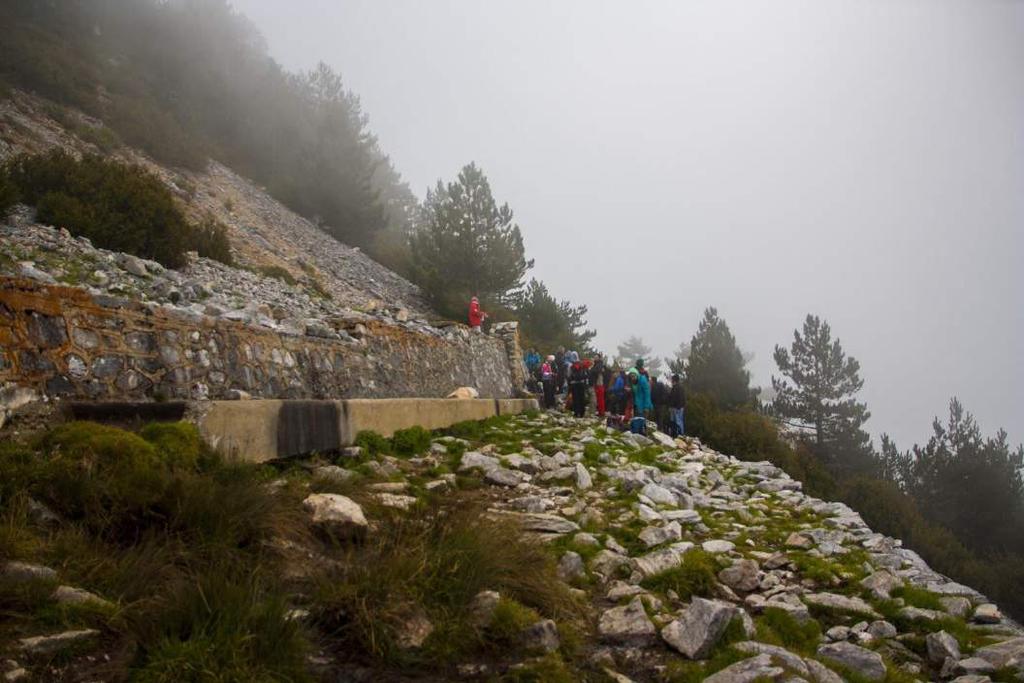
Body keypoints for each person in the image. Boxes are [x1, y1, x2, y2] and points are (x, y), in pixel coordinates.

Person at [668, 373, 686, 437]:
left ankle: (679, 434)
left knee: (678, 421)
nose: (671, 381)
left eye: (672, 380)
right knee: (677, 421)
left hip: (676, 408)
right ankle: (677, 433)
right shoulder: (679, 387)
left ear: (674, 380)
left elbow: (675, 398)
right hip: (678, 407)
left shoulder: (676, 388)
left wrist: (673, 406)